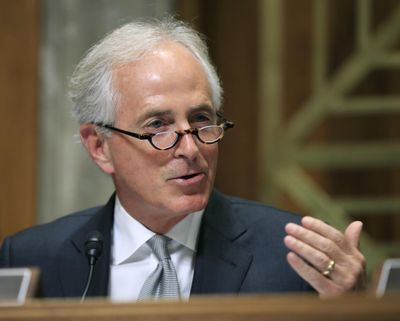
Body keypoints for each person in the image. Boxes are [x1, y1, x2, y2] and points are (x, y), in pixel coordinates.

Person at [0, 16, 365, 301]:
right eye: (158, 126)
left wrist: (352, 311)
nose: (190, 149)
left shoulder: (293, 258)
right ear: (99, 146)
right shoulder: (34, 258)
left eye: (201, 120)